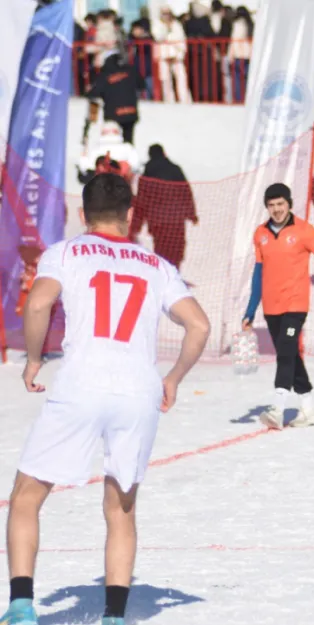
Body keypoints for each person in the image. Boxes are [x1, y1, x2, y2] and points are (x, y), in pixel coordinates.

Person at [1, 173, 210, 625]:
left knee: (26, 496)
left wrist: (34, 359)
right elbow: (199, 326)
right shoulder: (156, 265)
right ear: (131, 216)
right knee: (121, 507)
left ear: (83, 214)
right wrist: (172, 378)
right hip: (137, 392)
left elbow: (37, 305)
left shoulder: (66, 252)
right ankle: (115, 616)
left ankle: (21, 606)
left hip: (81, 384)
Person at [242, 183, 314, 430]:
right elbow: (258, 275)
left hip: (295, 304)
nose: (276, 210)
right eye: (271, 205)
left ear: (289, 204)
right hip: (271, 306)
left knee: (286, 351)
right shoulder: (260, 234)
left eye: (280, 204)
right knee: (291, 356)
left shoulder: (305, 231)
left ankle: (277, 407)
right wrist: (250, 311)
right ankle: (308, 408)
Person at [132, 145, 197, 269]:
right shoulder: (175, 169)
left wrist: (137, 223)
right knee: (176, 247)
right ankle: (175, 272)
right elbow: (185, 191)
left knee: (161, 247)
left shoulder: (147, 173)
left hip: (157, 219)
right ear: (164, 153)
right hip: (176, 217)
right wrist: (191, 213)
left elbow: (142, 199)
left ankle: (163, 273)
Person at [86, 50, 141, 144]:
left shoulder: (104, 75)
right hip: (131, 112)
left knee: (112, 142)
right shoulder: (131, 70)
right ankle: (129, 155)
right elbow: (141, 84)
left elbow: (94, 93)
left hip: (114, 114)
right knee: (128, 141)